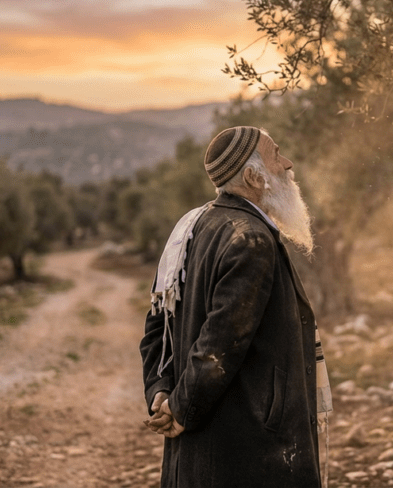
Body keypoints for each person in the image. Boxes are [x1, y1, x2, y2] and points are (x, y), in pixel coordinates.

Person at [139, 126, 329, 488]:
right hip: (246, 446)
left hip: (204, 443)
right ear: (254, 176)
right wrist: (181, 409)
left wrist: (160, 392)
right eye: (277, 156)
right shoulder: (251, 239)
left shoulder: (193, 227)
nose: (287, 165)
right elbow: (219, 346)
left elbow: (155, 327)